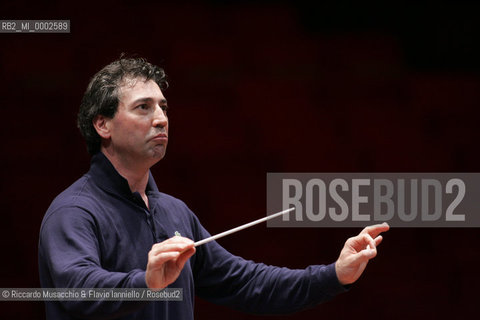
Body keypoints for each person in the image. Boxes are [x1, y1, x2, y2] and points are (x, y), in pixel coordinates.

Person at [38, 57, 390, 320]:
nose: (161, 118)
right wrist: (145, 282)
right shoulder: (73, 212)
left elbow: (245, 282)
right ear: (103, 124)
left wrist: (334, 274)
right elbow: (79, 289)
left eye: (163, 107)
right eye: (143, 108)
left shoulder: (175, 212)